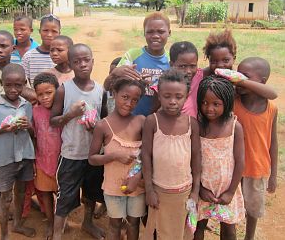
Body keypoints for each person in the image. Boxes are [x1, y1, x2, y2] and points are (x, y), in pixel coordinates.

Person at [50, 44, 107, 240]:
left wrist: (96, 127)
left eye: (86, 60)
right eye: (77, 61)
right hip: (71, 154)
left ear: (93, 61)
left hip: (93, 154)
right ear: (71, 64)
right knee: (65, 195)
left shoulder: (101, 91)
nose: (82, 64)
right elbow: (53, 120)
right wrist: (71, 114)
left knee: (91, 192)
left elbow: (105, 122)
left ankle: (88, 222)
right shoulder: (64, 90)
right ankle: (57, 233)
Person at [142, 69, 201, 239]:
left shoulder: (192, 124)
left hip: (185, 191)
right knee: (159, 229)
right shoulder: (152, 121)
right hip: (159, 191)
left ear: (187, 96)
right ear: (158, 95)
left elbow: (196, 158)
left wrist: (195, 191)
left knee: (181, 231)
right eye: (167, 96)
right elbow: (145, 156)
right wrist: (149, 190)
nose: (172, 101)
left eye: (178, 96)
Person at [89, 78, 146, 240]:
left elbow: (147, 152)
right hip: (113, 186)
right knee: (114, 224)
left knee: (133, 223)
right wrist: (114, 155)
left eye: (135, 100)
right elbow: (92, 159)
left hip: (137, 186)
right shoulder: (103, 125)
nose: (129, 103)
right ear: (114, 94)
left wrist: (138, 175)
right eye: (125, 97)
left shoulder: (140, 121)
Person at [0, 63, 35, 240]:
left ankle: (18, 224)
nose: (13, 89)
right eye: (8, 85)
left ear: (25, 84)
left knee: (20, 192)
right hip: (4, 159)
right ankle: (4, 234)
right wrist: (2, 130)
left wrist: (29, 126)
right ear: (1, 83)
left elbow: (33, 132)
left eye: (18, 85)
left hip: (25, 156)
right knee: (5, 198)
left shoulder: (27, 105)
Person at [194, 75, 245, 240]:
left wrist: (230, 192)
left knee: (229, 229)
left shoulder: (234, 127)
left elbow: (240, 162)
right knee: (198, 226)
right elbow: (193, 160)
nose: (209, 108)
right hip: (204, 189)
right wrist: (200, 189)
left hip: (227, 189)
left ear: (227, 103)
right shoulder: (198, 126)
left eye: (216, 104)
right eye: (204, 102)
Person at [234, 57, 278, 240]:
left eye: (245, 76)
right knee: (234, 206)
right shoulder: (233, 102)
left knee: (253, 208)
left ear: (262, 82)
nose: (238, 79)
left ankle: (249, 237)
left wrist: (273, 174)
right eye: (237, 74)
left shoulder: (271, 109)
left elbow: (273, 143)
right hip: (234, 168)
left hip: (257, 169)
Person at [104, 12, 170, 116]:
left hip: (157, 122)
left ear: (169, 33)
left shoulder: (171, 61)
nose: (155, 36)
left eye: (161, 32)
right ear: (144, 33)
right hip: (129, 120)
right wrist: (115, 73)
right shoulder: (132, 55)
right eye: (150, 32)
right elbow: (107, 87)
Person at [32, 72, 61, 239]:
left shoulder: (63, 109)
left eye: (49, 92)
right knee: (45, 193)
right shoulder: (35, 111)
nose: (44, 97)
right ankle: (50, 222)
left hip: (61, 162)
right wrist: (34, 160)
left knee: (61, 194)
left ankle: (59, 221)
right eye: (40, 94)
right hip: (42, 160)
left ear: (57, 90)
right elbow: (34, 136)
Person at [151, 41, 203, 118]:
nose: (188, 71)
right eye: (182, 66)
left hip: (191, 127)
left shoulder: (200, 76)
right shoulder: (165, 85)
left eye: (192, 66)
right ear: (171, 64)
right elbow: (153, 111)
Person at [22, 14, 61, 86]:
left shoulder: (64, 57)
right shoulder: (29, 57)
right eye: (45, 30)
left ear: (59, 33)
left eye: (54, 31)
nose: (49, 34)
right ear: (39, 31)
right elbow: (25, 85)